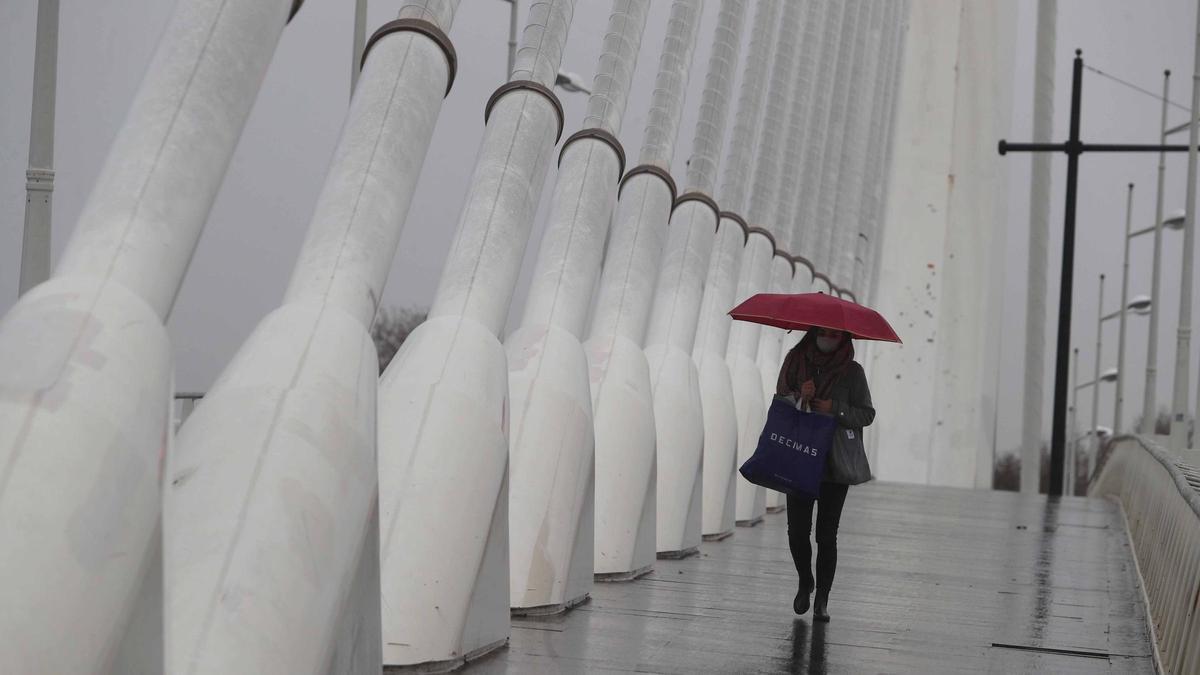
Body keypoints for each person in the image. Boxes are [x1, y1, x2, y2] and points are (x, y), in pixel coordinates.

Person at [775, 326, 875, 622]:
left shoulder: (852, 372)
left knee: (826, 535)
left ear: (844, 338)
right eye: (823, 332)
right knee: (796, 532)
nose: (828, 338)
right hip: (799, 457)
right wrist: (798, 396)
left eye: (835, 334)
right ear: (814, 332)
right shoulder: (795, 361)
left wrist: (837, 409)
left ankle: (822, 598)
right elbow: (778, 401)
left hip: (834, 463)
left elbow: (866, 414)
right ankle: (805, 581)